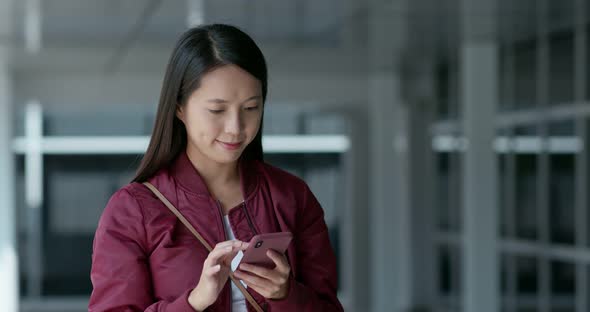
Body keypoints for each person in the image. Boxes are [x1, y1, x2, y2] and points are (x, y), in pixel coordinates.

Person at [88, 24, 343, 312]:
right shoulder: (132, 211)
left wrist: (286, 295)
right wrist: (195, 301)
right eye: (217, 110)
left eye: (250, 108)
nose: (235, 128)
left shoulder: (292, 197)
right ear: (179, 107)